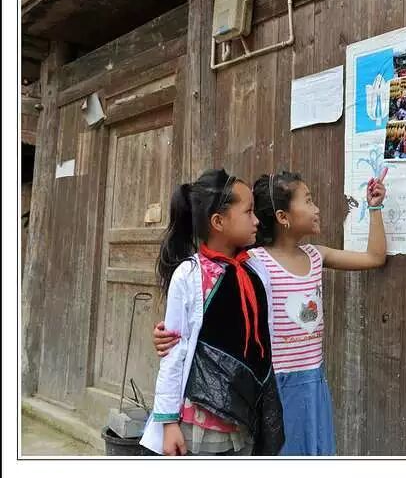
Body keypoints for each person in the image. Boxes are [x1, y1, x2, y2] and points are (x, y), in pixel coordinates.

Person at [154, 171, 388, 456]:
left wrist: (375, 208)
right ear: (282, 216)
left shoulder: (297, 259)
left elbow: (374, 257)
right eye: (308, 200)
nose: (316, 208)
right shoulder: (252, 262)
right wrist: (169, 335)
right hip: (270, 385)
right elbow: (199, 315)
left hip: (308, 384)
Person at [140, 169, 284, 456]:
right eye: (248, 212)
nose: (256, 220)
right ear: (218, 221)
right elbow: (174, 353)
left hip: (245, 415)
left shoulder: (256, 269)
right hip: (202, 422)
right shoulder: (190, 275)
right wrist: (168, 422)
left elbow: (265, 336)